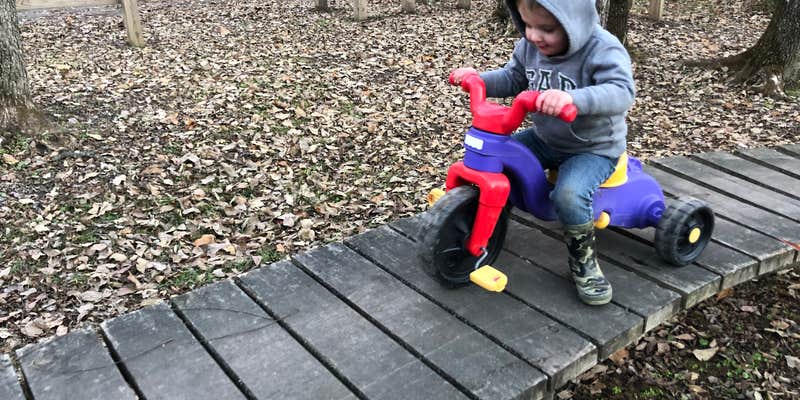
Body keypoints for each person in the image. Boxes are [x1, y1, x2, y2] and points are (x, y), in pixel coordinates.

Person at [450, 0, 635, 305]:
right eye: (527, 25)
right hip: (545, 138)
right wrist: (478, 80)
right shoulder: (530, 46)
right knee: (499, 160)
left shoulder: (602, 48)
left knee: (569, 195)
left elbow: (621, 91)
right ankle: (486, 224)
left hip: (593, 148)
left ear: (574, 21)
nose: (534, 36)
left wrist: (573, 98)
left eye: (546, 28)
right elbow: (512, 78)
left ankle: (584, 262)